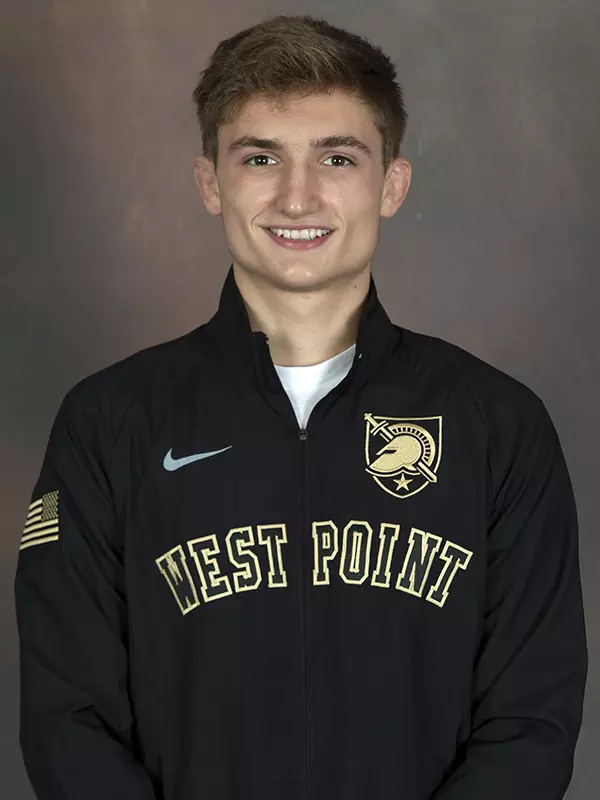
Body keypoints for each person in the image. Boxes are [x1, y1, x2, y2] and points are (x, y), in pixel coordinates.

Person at [14, 13, 587, 800]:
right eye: (260, 157)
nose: (298, 196)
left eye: (338, 157)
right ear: (210, 180)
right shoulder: (110, 422)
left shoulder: (499, 426)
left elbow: (532, 716)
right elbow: (66, 715)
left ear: (392, 183)